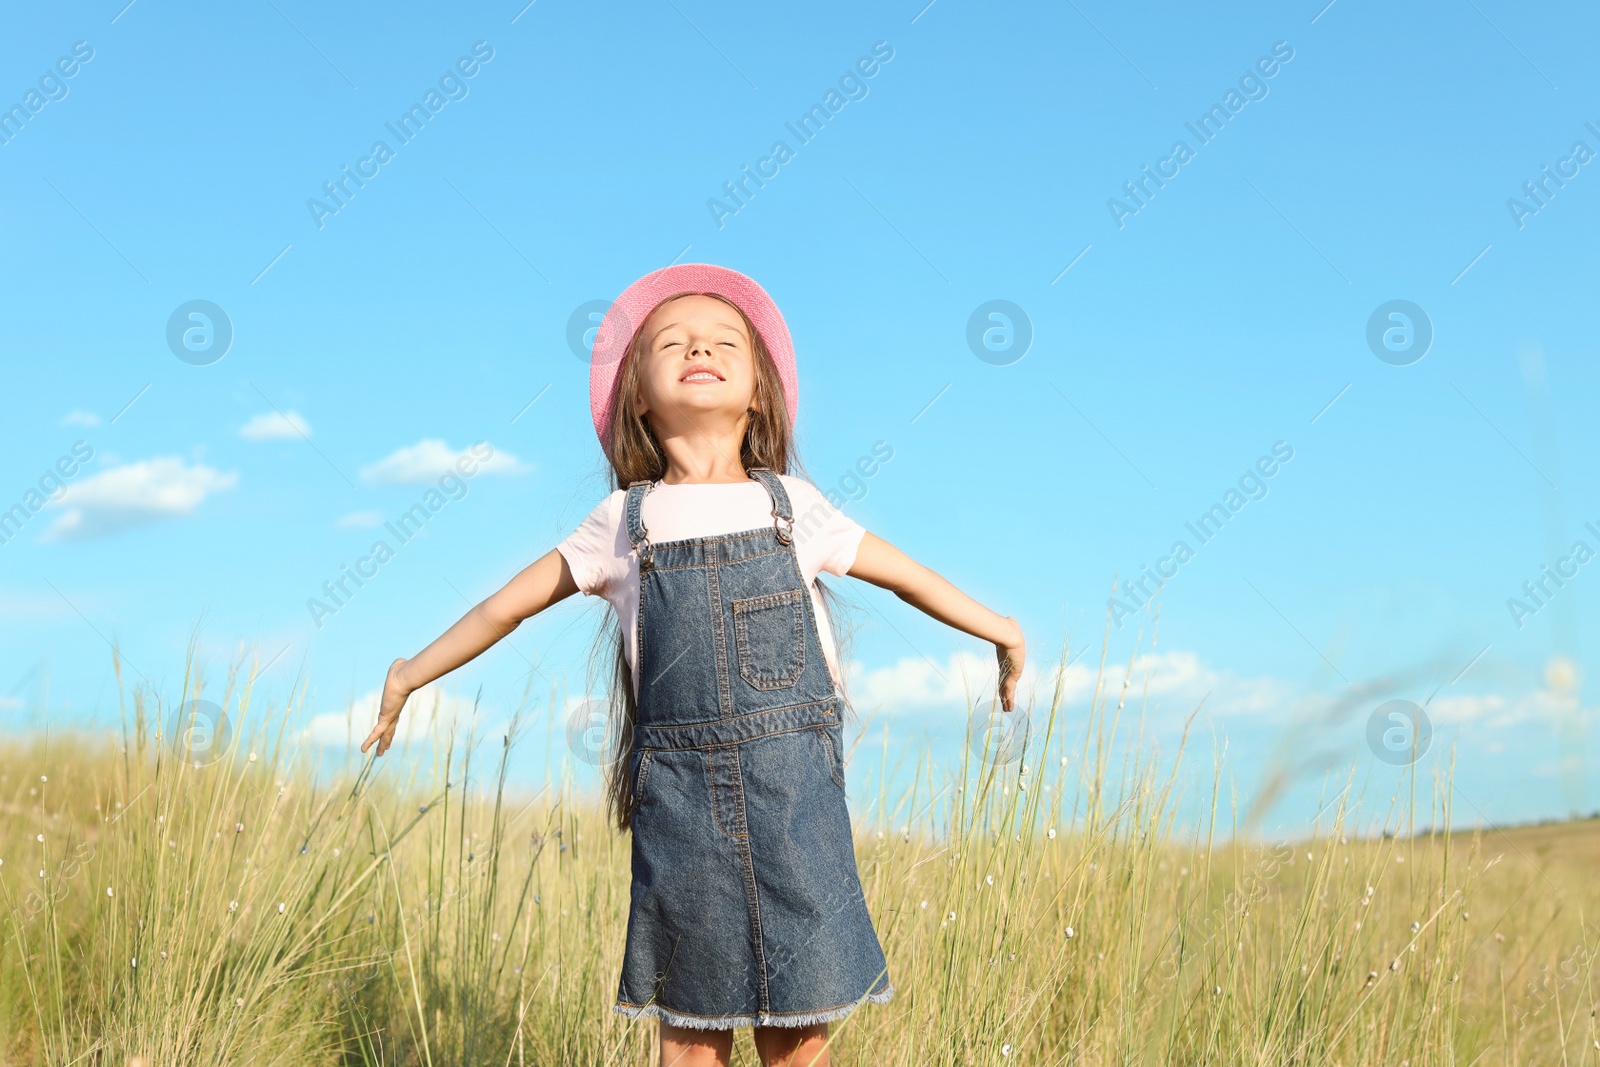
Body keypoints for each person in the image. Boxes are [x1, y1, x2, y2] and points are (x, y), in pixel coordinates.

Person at [362, 263, 1025, 1067]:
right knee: (690, 1040)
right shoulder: (621, 522)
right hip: (682, 807)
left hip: (795, 798)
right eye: (671, 342)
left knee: (799, 1034)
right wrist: (409, 672)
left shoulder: (792, 505)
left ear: (758, 393)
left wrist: (1000, 628)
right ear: (638, 396)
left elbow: (910, 575)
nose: (698, 347)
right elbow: (505, 605)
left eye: (724, 341)